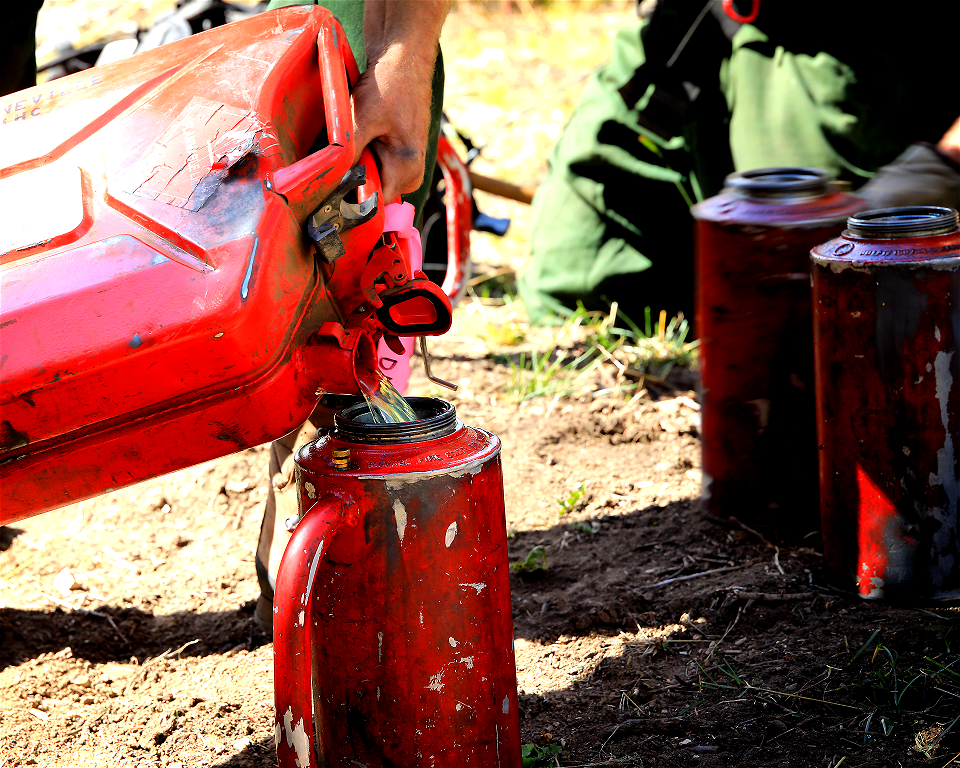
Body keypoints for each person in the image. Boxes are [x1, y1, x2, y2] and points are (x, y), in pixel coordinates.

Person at [517, 0, 960, 326]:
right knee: (579, 296)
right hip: (684, 33)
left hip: (857, 56)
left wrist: (944, 167)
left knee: (828, 315)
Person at [254, 0, 451, 634]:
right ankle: (327, 578)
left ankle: (348, 587)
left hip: (351, 52)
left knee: (347, 320)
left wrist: (403, 59)